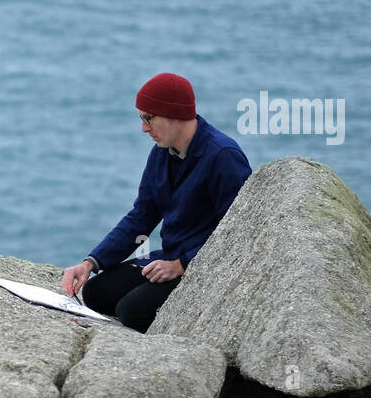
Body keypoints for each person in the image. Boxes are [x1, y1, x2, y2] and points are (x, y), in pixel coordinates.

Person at [61, 73, 252, 333]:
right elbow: (141, 216)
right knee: (95, 292)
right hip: (168, 258)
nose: (143, 128)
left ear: (173, 114)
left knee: (132, 311)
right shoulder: (161, 153)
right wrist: (90, 263)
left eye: (148, 118)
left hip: (203, 269)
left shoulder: (223, 156)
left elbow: (239, 232)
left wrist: (182, 265)